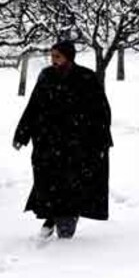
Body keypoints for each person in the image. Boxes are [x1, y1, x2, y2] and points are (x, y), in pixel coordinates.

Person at [13, 40, 113, 239]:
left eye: (57, 56)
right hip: (49, 141)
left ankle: (67, 221)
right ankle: (51, 216)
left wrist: (100, 138)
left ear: (68, 57)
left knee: (72, 182)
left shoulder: (86, 78)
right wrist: (22, 134)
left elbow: (101, 111)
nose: (53, 60)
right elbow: (34, 107)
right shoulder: (46, 76)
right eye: (52, 56)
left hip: (76, 143)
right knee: (49, 179)